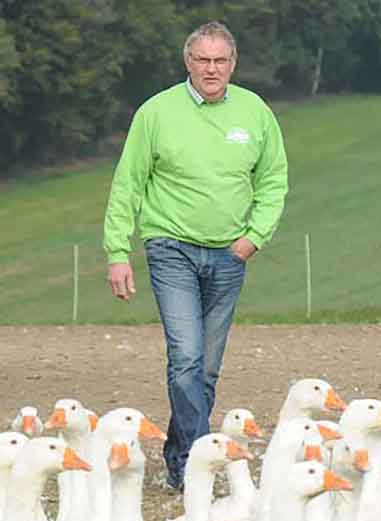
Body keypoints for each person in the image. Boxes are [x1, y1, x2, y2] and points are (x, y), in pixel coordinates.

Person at [103, 21, 288, 491]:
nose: (211, 69)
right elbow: (128, 183)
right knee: (185, 357)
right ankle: (194, 464)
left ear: (233, 63)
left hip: (230, 255)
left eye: (220, 61)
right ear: (188, 62)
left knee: (205, 367)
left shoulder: (255, 112)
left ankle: (179, 452)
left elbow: (273, 180)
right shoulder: (157, 112)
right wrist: (117, 250)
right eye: (202, 60)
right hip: (170, 248)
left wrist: (254, 238)